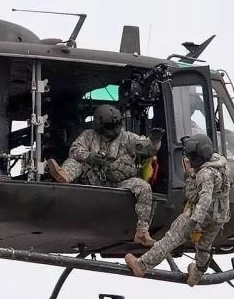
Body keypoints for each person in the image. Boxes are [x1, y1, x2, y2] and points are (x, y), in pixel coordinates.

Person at [47, 105, 164, 247]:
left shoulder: (126, 137)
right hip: (93, 179)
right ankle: (65, 175)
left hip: (120, 182)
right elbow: (74, 150)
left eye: (116, 126)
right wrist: (89, 156)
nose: (113, 130)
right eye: (109, 127)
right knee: (76, 161)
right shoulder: (88, 136)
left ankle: (142, 232)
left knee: (144, 187)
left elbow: (147, 148)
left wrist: (155, 140)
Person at [124, 134, 232, 286]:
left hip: (200, 214)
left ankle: (142, 265)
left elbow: (201, 198)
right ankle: (196, 275)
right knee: (204, 247)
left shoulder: (205, 173)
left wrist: (189, 176)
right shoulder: (222, 165)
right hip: (220, 216)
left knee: (171, 239)